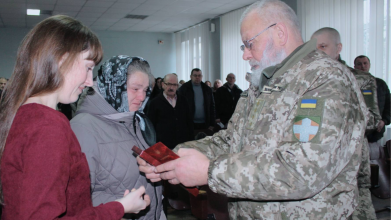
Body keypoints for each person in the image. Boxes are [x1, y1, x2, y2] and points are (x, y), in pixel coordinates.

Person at [138, 0, 369, 219]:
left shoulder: (326, 79)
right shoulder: (264, 82)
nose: (245, 54)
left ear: (279, 33)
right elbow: (232, 140)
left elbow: (302, 170)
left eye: (250, 44)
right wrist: (174, 157)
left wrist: (210, 171)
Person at [0, 15, 150, 219]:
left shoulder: (26, 115)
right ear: (62, 60)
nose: (90, 81)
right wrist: (120, 208)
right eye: (88, 68)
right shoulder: (47, 124)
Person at [70, 55, 164, 220]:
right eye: (135, 89)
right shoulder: (82, 128)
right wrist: (121, 206)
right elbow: (76, 202)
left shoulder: (137, 120)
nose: (142, 98)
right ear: (113, 86)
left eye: (146, 90)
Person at [312, 28, 380, 220]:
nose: (317, 52)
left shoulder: (361, 79)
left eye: (323, 46)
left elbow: (373, 120)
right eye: (313, 48)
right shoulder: (306, 80)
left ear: (338, 47)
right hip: (317, 163)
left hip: (352, 161)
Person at [147, 73, 194, 149]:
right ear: (163, 84)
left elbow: (189, 122)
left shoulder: (183, 100)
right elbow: (150, 127)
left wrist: (191, 142)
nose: (171, 87)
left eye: (174, 85)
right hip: (163, 146)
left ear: (177, 86)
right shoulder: (154, 102)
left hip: (183, 145)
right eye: (168, 84)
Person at [354, 55, 391, 143]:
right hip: (356, 133)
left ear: (369, 65)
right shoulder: (351, 84)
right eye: (359, 64)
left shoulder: (380, 84)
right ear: (354, 67)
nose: (362, 66)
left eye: (365, 63)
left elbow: (389, 106)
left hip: (376, 133)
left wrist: (384, 121)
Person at [177, 68, 215, 135]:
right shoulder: (184, 88)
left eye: (199, 75)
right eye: (195, 75)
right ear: (191, 76)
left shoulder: (207, 89)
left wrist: (212, 123)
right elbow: (180, 107)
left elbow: (212, 106)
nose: (197, 77)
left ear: (202, 77)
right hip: (190, 123)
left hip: (205, 123)